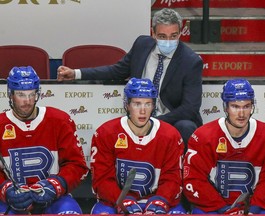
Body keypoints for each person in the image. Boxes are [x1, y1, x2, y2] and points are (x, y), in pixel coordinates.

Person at [57, 8, 203, 150]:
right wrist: (76, 73)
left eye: (173, 36)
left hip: (169, 118)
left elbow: (190, 108)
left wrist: (156, 121)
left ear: (180, 34)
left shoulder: (191, 61)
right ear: (153, 33)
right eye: (162, 36)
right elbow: (116, 71)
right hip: (137, 113)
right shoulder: (142, 45)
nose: (168, 41)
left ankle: (184, 173)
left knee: (186, 126)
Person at [183, 79, 265, 214]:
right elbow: (194, 179)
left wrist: (253, 209)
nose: (241, 114)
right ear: (225, 107)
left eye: (246, 106)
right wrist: (223, 209)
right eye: (235, 107)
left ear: (252, 106)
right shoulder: (204, 136)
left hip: (255, 208)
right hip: (214, 209)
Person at [0, 66, 89, 214]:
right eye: (21, 94)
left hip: (54, 199)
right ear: (10, 95)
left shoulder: (59, 120)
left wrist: (56, 185)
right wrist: (4, 188)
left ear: (38, 93)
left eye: (31, 94)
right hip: (10, 201)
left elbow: (77, 165)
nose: (27, 101)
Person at [90, 78, 185, 214]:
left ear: (153, 106)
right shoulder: (106, 133)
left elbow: (173, 178)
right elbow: (102, 180)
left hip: (158, 200)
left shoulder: (170, 135)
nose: (143, 111)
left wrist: (160, 201)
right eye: (137, 104)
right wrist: (122, 200)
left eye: (148, 104)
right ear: (127, 105)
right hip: (115, 201)